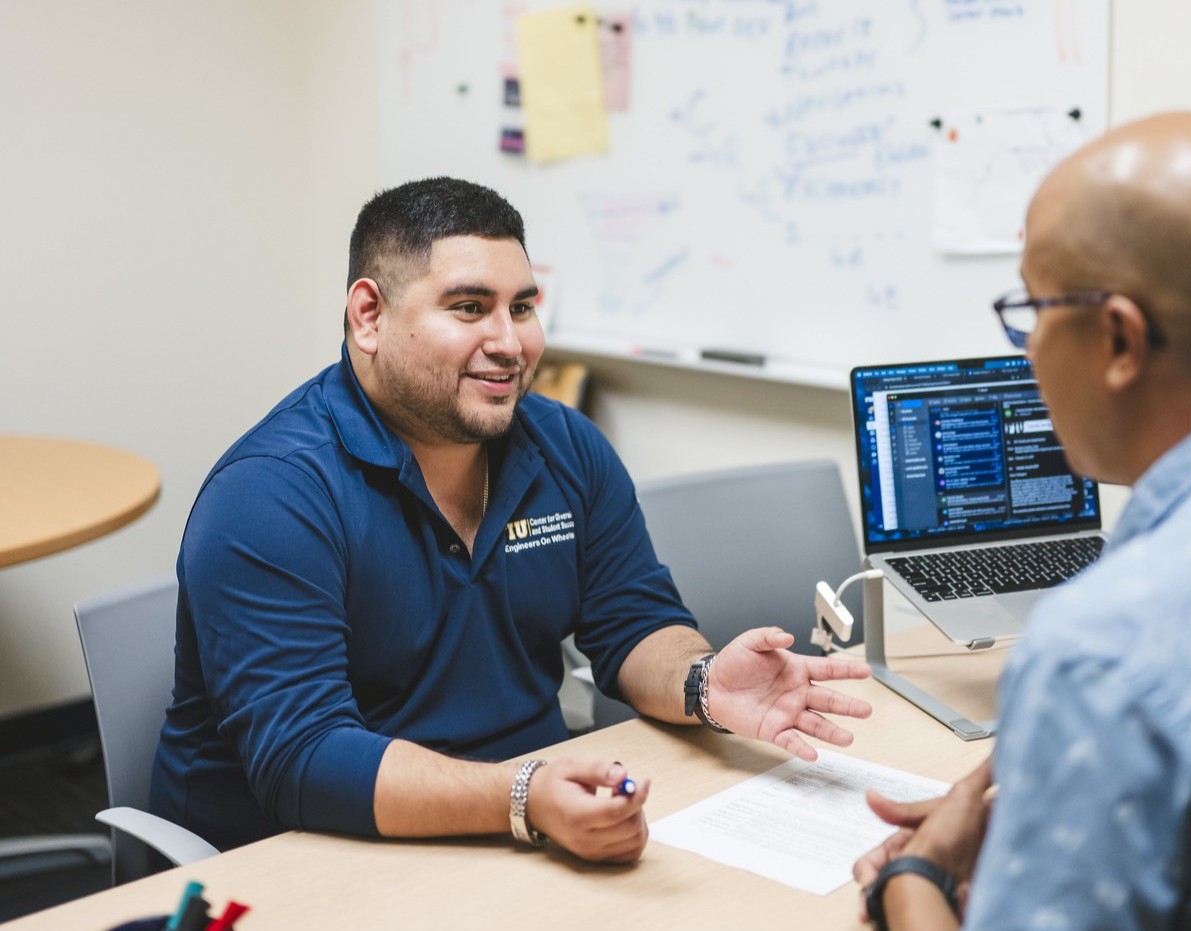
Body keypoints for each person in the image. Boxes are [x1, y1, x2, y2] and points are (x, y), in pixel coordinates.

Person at [150, 177, 872, 861]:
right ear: (368, 316)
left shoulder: (565, 445)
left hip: (521, 822)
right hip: (310, 855)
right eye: (469, 308)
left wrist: (701, 681)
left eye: (521, 307)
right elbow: (304, 759)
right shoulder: (270, 494)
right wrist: (521, 794)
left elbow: (634, 623)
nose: (510, 342)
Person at [855, 112, 1191, 929]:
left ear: (1119, 339)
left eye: (1032, 311)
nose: (1026, 350)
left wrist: (913, 875)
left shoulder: (1101, 649)